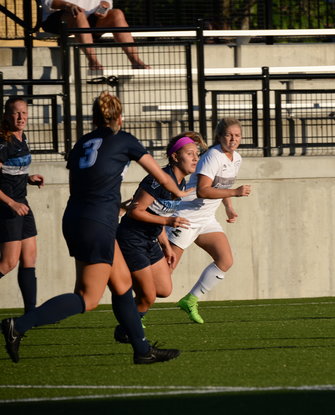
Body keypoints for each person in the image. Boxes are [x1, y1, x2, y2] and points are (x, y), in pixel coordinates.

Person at [1, 91, 188, 364]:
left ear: (95, 118)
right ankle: (18, 326)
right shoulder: (124, 139)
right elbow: (162, 176)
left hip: (77, 218)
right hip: (98, 223)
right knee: (87, 298)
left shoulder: (82, 142)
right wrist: (181, 193)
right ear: (119, 118)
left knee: (122, 284)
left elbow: (81, 182)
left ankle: (142, 349)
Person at [113, 132, 203, 343]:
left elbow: (158, 214)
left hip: (150, 240)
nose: (195, 158)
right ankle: (126, 328)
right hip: (132, 239)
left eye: (197, 154)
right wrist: (168, 222)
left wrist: (167, 246)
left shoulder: (180, 183)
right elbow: (135, 212)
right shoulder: (158, 179)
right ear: (175, 157)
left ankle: (128, 308)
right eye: (190, 153)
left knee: (164, 289)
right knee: (148, 296)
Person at [167, 118, 252, 324]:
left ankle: (190, 300)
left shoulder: (236, 158)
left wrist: (229, 206)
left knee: (225, 260)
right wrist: (235, 192)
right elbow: (203, 190)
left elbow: (222, 185)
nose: (233, 139)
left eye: (237, 135)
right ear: (220, 137)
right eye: (229, 135)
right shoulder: (213, 156)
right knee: (165, 272)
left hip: (206, 219)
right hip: (187, 217)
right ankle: (136, 313)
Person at [0, 97, 45, 314]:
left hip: (22, 203)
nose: (21, 117)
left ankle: (30, 314)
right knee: (8, 263)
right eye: (16, 113)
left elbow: (11, 171)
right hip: (8, 206)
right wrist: (11, 203)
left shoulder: (22, 137)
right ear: (7, 116)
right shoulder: (3, 142)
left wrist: (29, 178)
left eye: (24, 113)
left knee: (29, 257)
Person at [40, 0, 149, 70]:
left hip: (90, 18)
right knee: (78, 13)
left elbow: (107, 2)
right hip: (58, 17)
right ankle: (93, 61)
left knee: (117, 13)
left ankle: (135, 61)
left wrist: (103, 7)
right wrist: (68, 5)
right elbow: (48, 2)